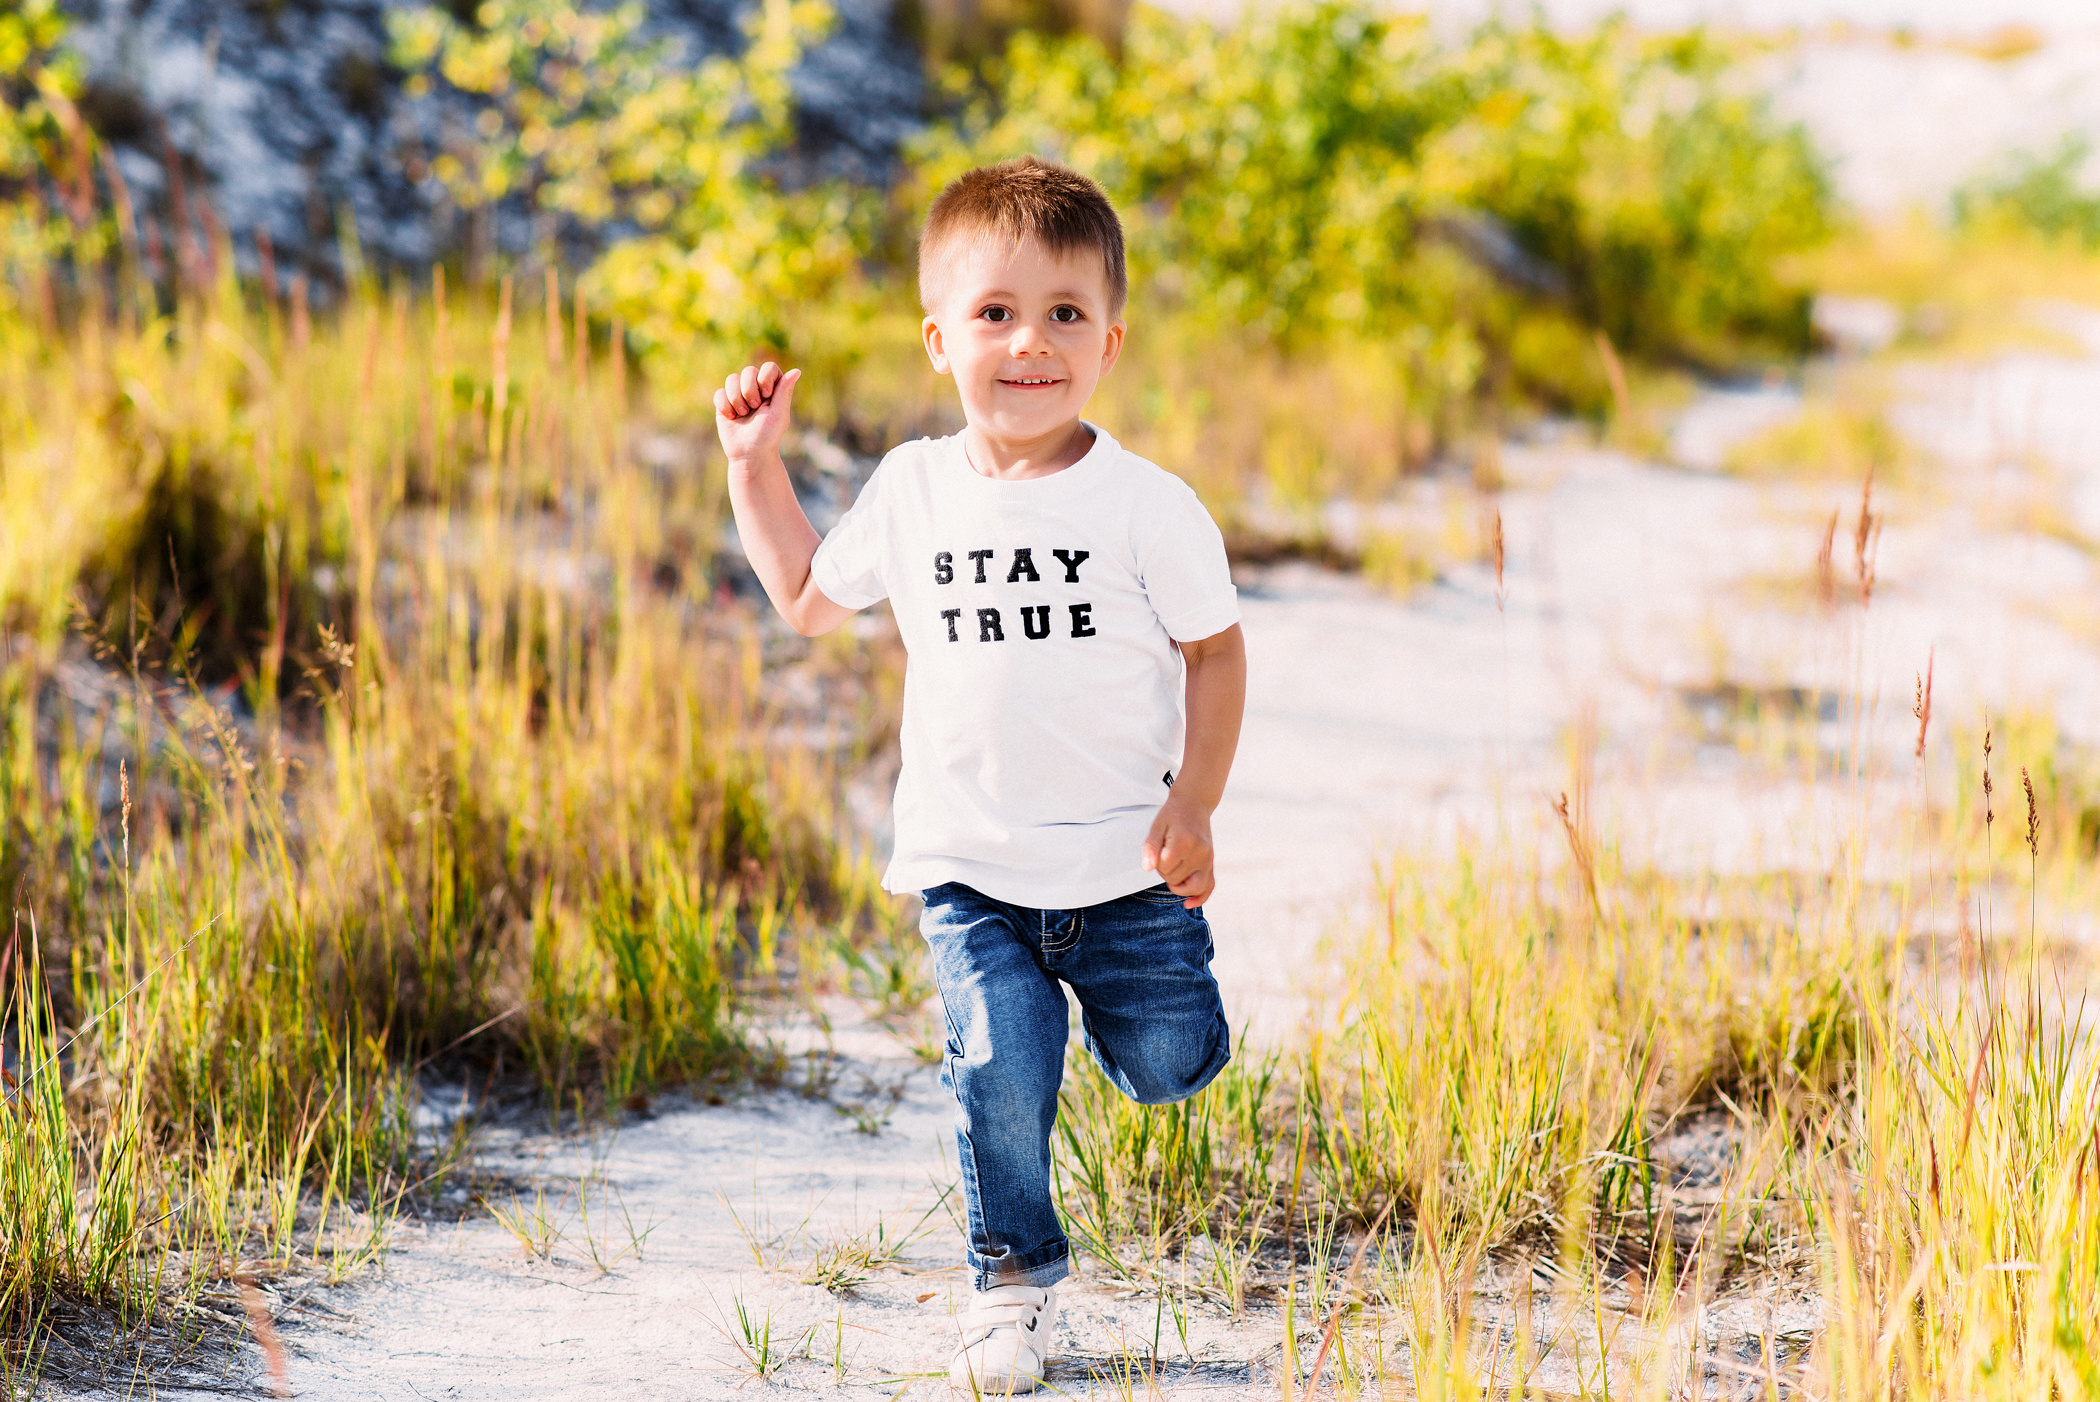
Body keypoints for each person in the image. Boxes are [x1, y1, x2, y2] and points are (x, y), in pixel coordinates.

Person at [714, 156, 1246, 1394]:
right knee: (1002, 1058)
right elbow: (802, 600)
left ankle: (1140, 1024)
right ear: (940, 339)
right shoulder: (912, 491)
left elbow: (1215, 653)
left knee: (1167, 1064)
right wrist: (754, 466)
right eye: (996, 313)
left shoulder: (1145, 506)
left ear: (1110, 341)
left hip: (1125, 866)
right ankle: (1012, 1280)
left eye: (1065, 314)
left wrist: (1196, 802)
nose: (1030, 342)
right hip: (968, 864)